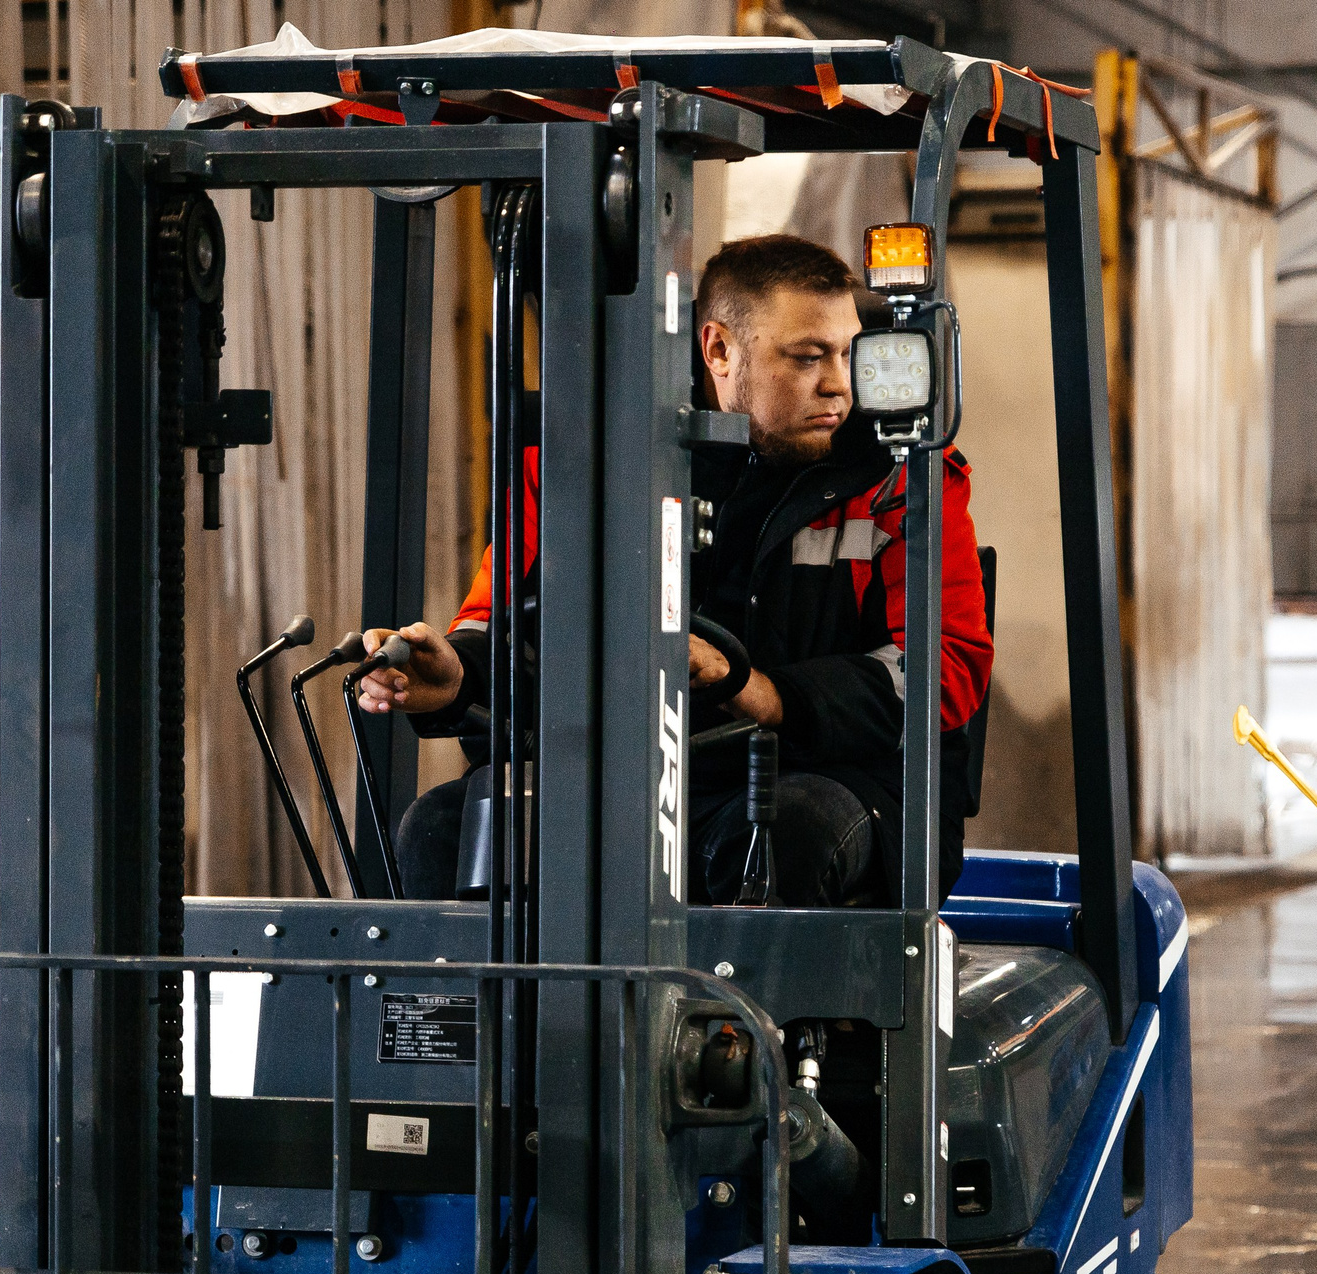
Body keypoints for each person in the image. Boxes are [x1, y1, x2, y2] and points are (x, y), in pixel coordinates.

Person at [357, 233, 993, 904]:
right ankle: (484, 1011)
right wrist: (455, 677)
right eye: (807, 357)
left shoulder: (900, 475)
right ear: (718, 350)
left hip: (826, 775)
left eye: (846, 352)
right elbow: (502, 617)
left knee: (782, 834)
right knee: (442, 829)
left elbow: (945, 665)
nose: (838, 384)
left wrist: (764, 693)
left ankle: (749, 1015)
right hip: (626, 777)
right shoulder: (588, 458)